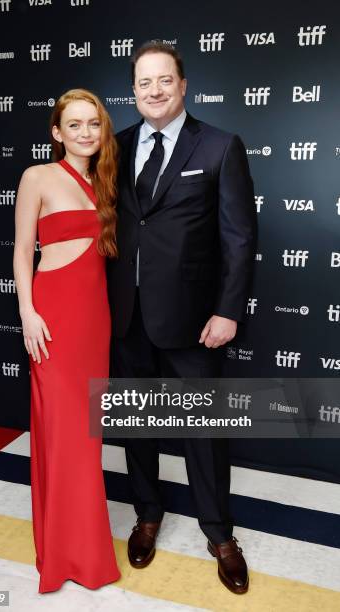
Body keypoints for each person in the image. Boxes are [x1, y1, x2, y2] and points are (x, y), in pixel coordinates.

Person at [107, 41, 257, 595]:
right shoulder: (115, 149)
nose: (154, 91)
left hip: (196, 322)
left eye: (164, 80)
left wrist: (228, 310)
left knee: (205, 435)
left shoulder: (219, 146)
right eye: (144, 83)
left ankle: (219, 534)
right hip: (127, 317)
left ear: (183, 84)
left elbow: (240, 238)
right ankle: (147, 514)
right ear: (133, 91)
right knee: (137, 427)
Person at [13, 88, 121, 593]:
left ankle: (86, 547)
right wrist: (27, 313)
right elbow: (20, 251)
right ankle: (61, 551)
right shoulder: (37, 176)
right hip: (51, 315)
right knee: (62, 431)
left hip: (94, 319)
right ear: (57, 132)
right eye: (74, 124)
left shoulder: (106, 182)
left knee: (87, 434)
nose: (85, 132)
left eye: (93, 124)